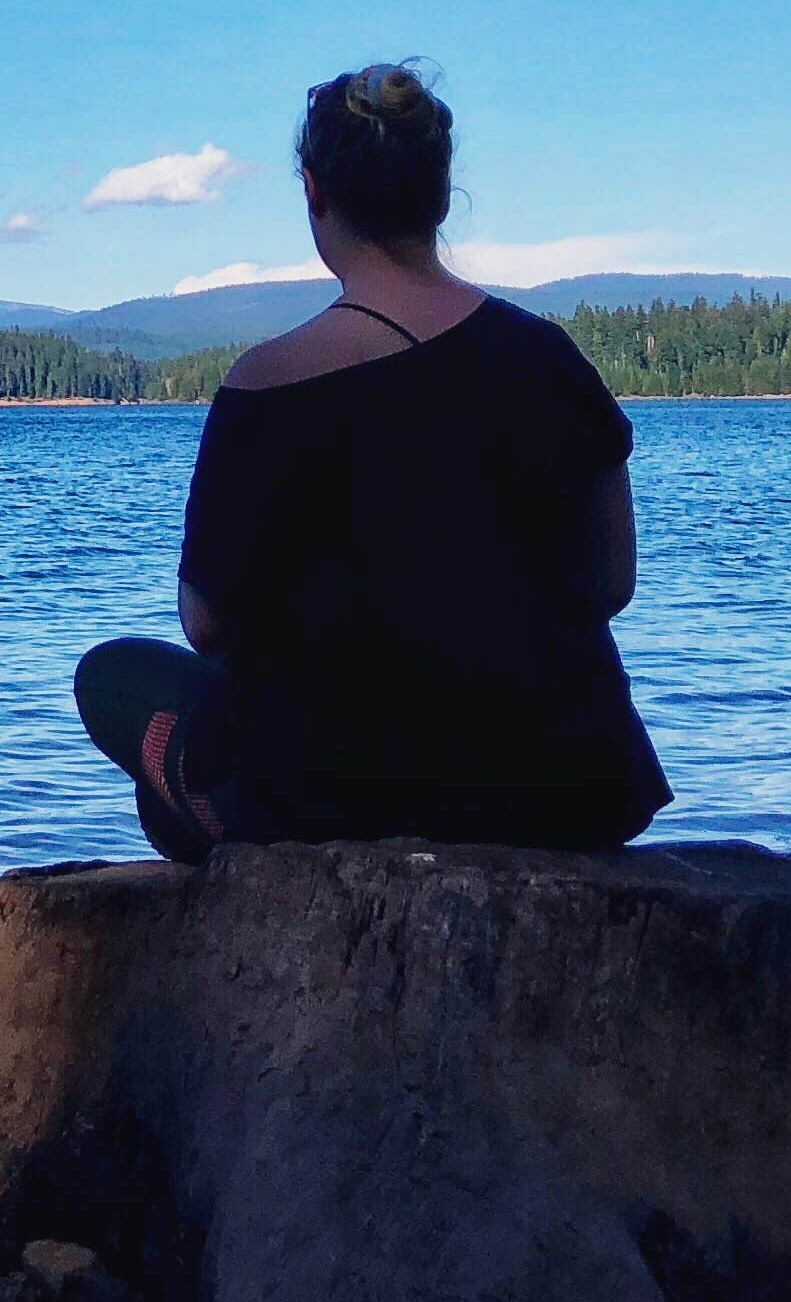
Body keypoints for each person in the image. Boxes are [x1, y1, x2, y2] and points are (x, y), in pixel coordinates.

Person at [75, 62, 671, 859]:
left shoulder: (268, 382)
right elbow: (611, 585)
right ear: (437, 192)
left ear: (315, 194)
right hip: (576, 786)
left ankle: (216, 824)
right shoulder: (549, 356)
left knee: (112, 679)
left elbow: (208, 624)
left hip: (348, 795)